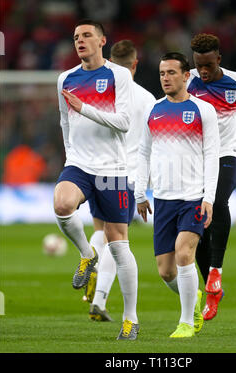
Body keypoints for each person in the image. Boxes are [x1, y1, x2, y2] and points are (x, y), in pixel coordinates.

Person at [54, 19, 139, 340]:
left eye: (87, 35)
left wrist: (85, 108)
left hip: (113, 170)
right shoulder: (66, 78)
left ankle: (130, 319)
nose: (80, 40)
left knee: (119, 245)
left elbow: (125, 123)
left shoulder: (117, 75)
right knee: (62, 204)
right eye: (76, 37)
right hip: (79, 163)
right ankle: (87, 254)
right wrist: (69, 156)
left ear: (102, 40)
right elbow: (65, 121)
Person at [135, 52, 220, 338]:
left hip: (193, 197)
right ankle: (193, 297)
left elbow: (212, 155)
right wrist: (139, 192)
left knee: (185, 253)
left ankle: (185, 322)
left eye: (172, 72)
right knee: (165, 271)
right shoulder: (153, 110)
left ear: (187, 76)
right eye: (162, 73)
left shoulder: (202, 109)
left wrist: (209, 197)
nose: (166, 78)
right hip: (163, 199)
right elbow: (144, 153)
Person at [187, 33, 236, 320]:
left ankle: (216, 271)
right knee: (196, 222)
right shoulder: (187, 80)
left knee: (218, 204)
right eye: (199, 65)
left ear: (218, 59)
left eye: (208, 65)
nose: (203, 71)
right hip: (194, 158)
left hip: (227, 155)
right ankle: (211, 288)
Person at [85, 40, 156, 322]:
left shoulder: (101, 95)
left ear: (110, 63)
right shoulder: (147, 99)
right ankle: (99, 300)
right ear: (135, 64)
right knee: (119, 241)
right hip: (127, 176)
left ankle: (87, 260)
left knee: (102, 232)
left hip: (98, 171)